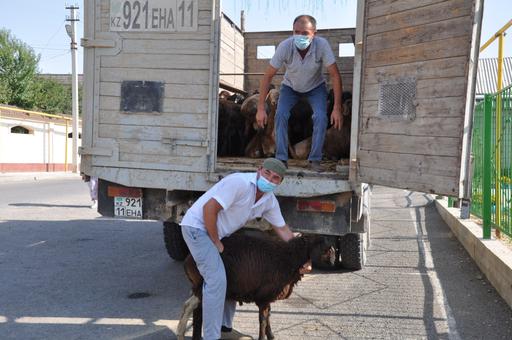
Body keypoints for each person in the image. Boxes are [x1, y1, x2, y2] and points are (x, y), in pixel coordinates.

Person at [180, 158, 295, 340]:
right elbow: (209, 209)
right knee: (216, 280)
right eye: (267, 174)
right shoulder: (239, 183)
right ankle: (211, 337)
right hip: (197, 228)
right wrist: (216, 240)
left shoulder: (268, 201)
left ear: (280, 182)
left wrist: (300, 250)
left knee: (232, 274)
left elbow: (282, 229)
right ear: (259, 170)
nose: (269, 179)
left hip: (217, 233)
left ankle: (225, 328)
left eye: (275, 178)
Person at [256, 15, 343, 172]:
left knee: (321, 117)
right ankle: (281, 159)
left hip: (316, 88)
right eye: (296, 32)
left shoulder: (322, 45)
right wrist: (261, 108)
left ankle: (315, 159)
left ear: (314, 33)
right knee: (280, 115)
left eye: (305, 33)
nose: (300, 36)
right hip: (290, 88)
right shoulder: (285, 46)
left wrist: (337, 108)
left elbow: (335, 75)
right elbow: (267, 76)